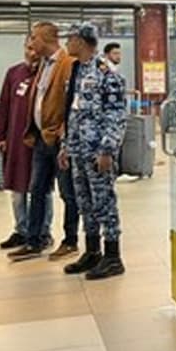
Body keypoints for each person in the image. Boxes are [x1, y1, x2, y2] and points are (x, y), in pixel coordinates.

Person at [61, 23, 128, 280]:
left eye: (70, 38)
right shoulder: (79, 70)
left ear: (81, 40)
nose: (67, 42)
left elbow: (116, 115)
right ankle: (92, 251)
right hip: (79, 150)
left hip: (98, 151)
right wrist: (67, 146)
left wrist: (108, 150)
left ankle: (113, 256)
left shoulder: (105, 73)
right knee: (85, 203)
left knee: (104, 202)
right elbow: (75, 111)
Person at [10, 22, 79, 261]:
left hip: (59, 139)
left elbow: (73, 100)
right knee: (36, 189)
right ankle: (34, 240)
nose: (31, 43)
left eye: (34, 38)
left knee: (67, 193)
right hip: (41, 138)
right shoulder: (42, 66)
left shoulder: (68, 64)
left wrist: (64, 130)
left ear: (48, 39)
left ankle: (70, 240)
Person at [0, 39, 48, 251]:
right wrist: (1, 135)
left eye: (36, 49)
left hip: (39, 142)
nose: (32, 53)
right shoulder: (14, 73)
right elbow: (4, 106)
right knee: (17, 189)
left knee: (41, 189)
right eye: (28, 48)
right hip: (15, 141)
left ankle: (43, 231)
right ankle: (21, 230)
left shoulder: (47, 75)